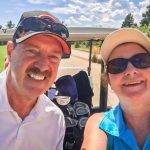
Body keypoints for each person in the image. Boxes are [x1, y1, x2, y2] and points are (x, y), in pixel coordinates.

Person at [0, 10, 71, 150]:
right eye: (32, 51)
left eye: (53, 57)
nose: (43, 66)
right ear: (10, 52)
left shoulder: (55, 120)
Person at [81, 28, 150, 150]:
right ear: (109, 80)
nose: (130, 71)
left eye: (141, 60)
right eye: (117, 65)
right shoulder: (100, 125)